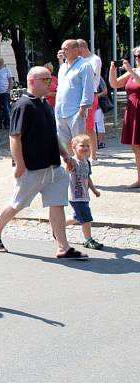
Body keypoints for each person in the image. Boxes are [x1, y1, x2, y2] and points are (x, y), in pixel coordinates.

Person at [0, 66, 86, 260]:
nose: (50, 83)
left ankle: (63, 247)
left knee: (57, 203)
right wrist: (19, 165)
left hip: (52, 167)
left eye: (50, 79)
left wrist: (66, 156)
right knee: (17, 203)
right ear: (32, 81)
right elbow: (15, 137)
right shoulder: (23, 105)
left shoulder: (45, 103)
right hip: (32, 167)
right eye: (46, 80)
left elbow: (52, 135)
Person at [56, 39, 94, 153]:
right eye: (62, 49)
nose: (63, 51)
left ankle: (81, 168)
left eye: (66, 49)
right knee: (65, 143)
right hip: (60, 112)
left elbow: (88, 89)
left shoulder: (84, 66)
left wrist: (82, 111)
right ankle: (70, 166)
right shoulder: (63, 67)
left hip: (75, 112)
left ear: (76, 50)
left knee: (79, 144)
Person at [109, 49, 140, 187]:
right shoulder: (133, 71)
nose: (138, 59)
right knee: (136, 146)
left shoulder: (133, 71)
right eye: (136, 56)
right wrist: (112, 69)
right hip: (133, 110)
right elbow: (114, 84)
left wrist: (131, 71)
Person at [66, 134, 102, 249]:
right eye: (82, 145)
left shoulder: (87, 162)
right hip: (76, 196)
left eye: (88, 146)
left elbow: (88, 178)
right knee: (86, 218)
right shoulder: (73, 162)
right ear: (74, 148)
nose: (86, 148)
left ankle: (58, 225)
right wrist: (68, 163)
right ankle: (88, 240)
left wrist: (94, 190)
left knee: (78, 217)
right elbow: (67, 171)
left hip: (85, 196)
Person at [77, 39, 102, 161]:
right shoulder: (79, 60)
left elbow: (90, 76)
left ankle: (93, 156)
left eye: (77, 49)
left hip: (91, 94)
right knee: (80, 126)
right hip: (78, 95)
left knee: (89, 127)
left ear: (82, 47)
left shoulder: (95, 60)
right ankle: (83, 154)